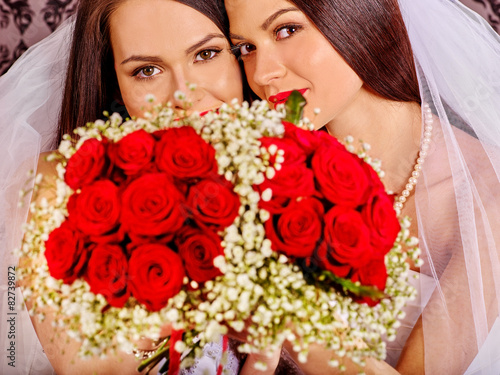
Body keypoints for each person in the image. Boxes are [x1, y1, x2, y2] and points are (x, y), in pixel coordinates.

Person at [221, 0, 500, 373]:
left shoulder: (486, 192)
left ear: (355, 14)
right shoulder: (263, 176)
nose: (262, 74)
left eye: (286, 30)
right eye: (246, 49)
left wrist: (274, 320)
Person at [0, 0, 278, 374]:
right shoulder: (57, 192)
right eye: (147, 70)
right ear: (114, 83)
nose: (184, 95)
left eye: (207, 53)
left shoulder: (286, 175)